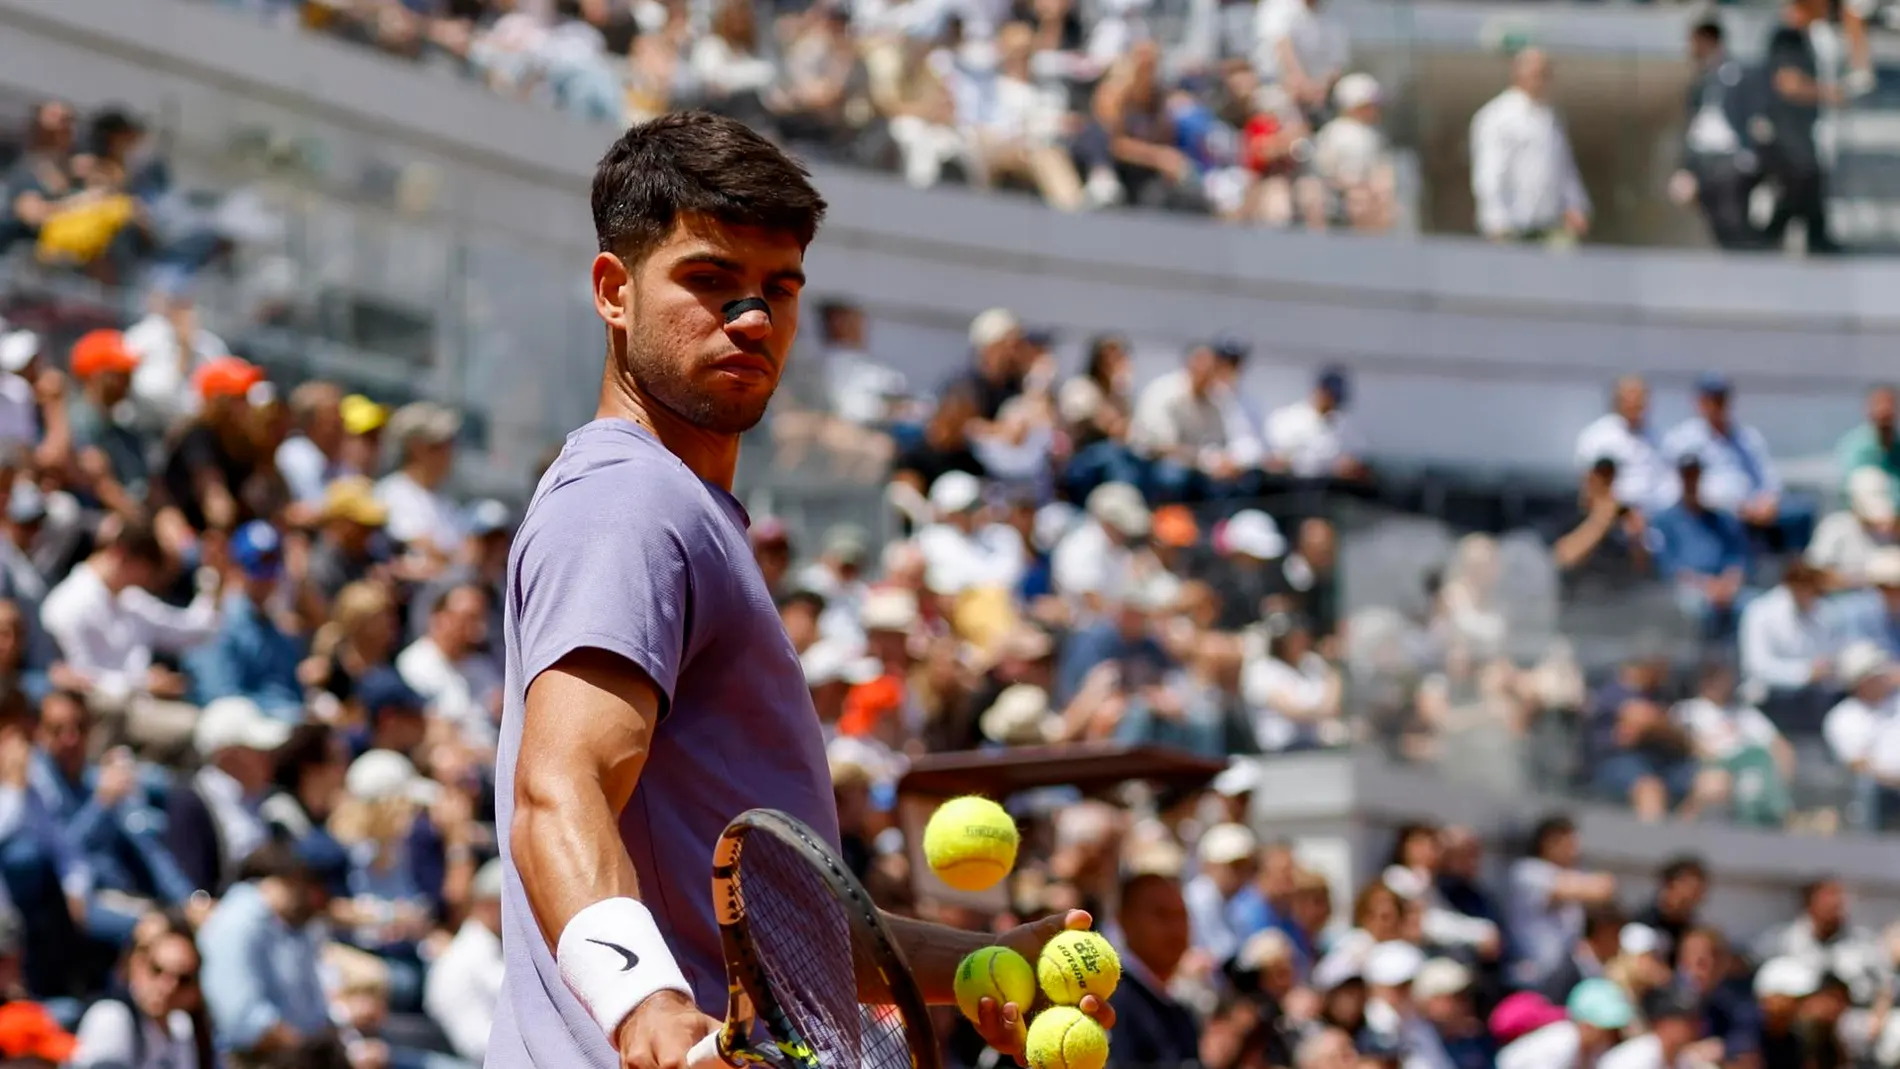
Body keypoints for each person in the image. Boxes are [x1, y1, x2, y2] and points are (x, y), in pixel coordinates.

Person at [491, 112, 1108, 1069]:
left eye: (778, 291)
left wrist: (994, 958)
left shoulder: (683, 511)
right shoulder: (629, 500)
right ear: (614, 291)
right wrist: (644, 1004)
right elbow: (559, 787)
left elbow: (790, 938)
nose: (751, 318)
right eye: (708, 281)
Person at [70, 911, 213, 1069]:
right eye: (157, 969)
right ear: (137, 963)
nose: (168, 986)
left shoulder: (181, 1027)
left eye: (183, 979)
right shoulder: (111, 1016)